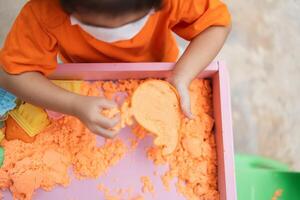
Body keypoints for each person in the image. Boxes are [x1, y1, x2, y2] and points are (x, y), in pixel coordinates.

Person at [0, 0, 231, 138]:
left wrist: (182, 74)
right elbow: (10, 74)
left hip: (159, 66)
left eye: (135, 22)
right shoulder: (44, 11)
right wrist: (75, 105)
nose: (117, 37)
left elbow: (217, 24)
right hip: (85, 76)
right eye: (95, 27)